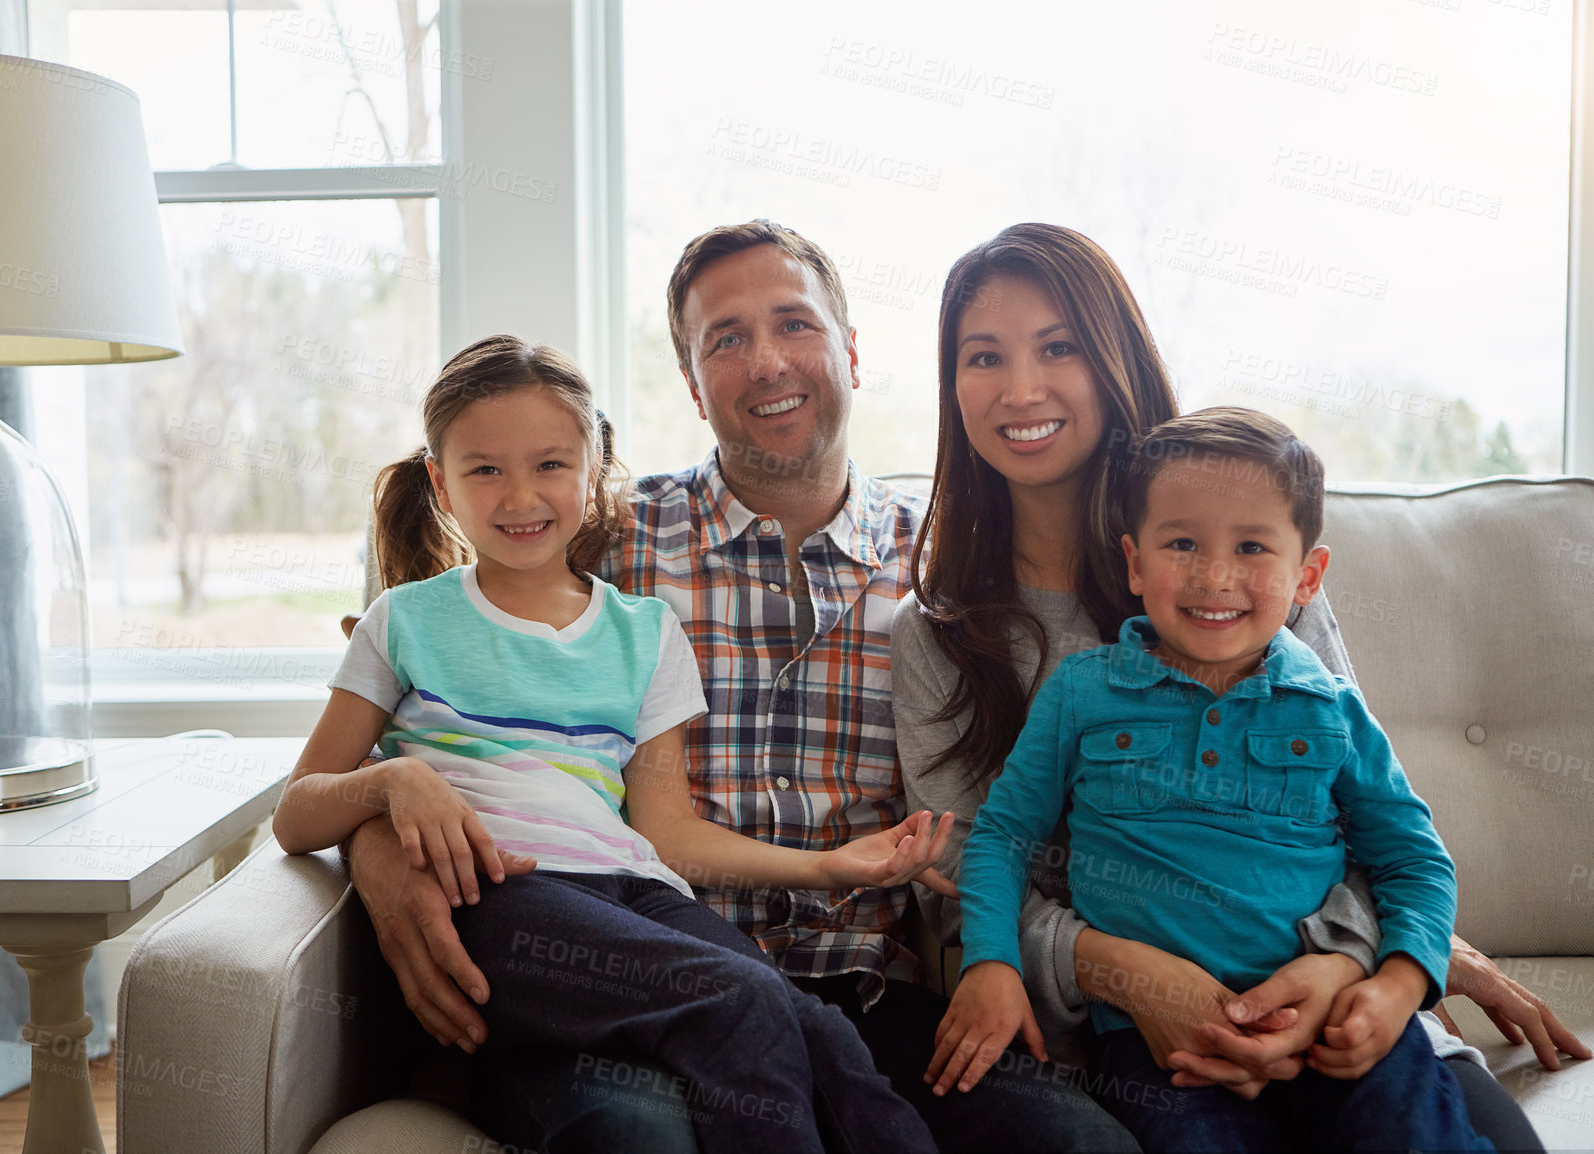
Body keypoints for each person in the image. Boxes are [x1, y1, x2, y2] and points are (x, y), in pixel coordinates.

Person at [895, 222, 1583, 1150]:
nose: (1022, 388)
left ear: (1113, 360)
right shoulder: (942, 630)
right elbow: (964, 866)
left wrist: (1367, 970)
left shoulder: (1258, 562)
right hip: (1126, 1035)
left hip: (1330, 1002)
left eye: (1058, 346)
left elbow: (1371, 826)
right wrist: (1133, 977)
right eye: (985, 356)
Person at [271, 333, 940, 1154]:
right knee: (737, 1000)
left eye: (550, 464)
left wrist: (829, 868)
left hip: (638, 891)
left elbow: (664, 831)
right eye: (485, 469)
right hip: (499, 890)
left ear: (593, 475)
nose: (521, 494)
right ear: (441, 484)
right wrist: (390, 787)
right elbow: (295, 815)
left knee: (828, 1041)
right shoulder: (404, 621)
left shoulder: (644, 631)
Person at [928, 407, 1491, 1151]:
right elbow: (999, 836)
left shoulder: (1328, 705)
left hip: (1331, 1019)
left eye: (1252, 546)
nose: (1214, 576)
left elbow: (1413, 858)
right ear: (1134, 563)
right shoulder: (1082, 693)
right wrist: (992, 960)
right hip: (1158, 1047)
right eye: (1182, 543)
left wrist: (1397, 986)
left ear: (1307, 577)